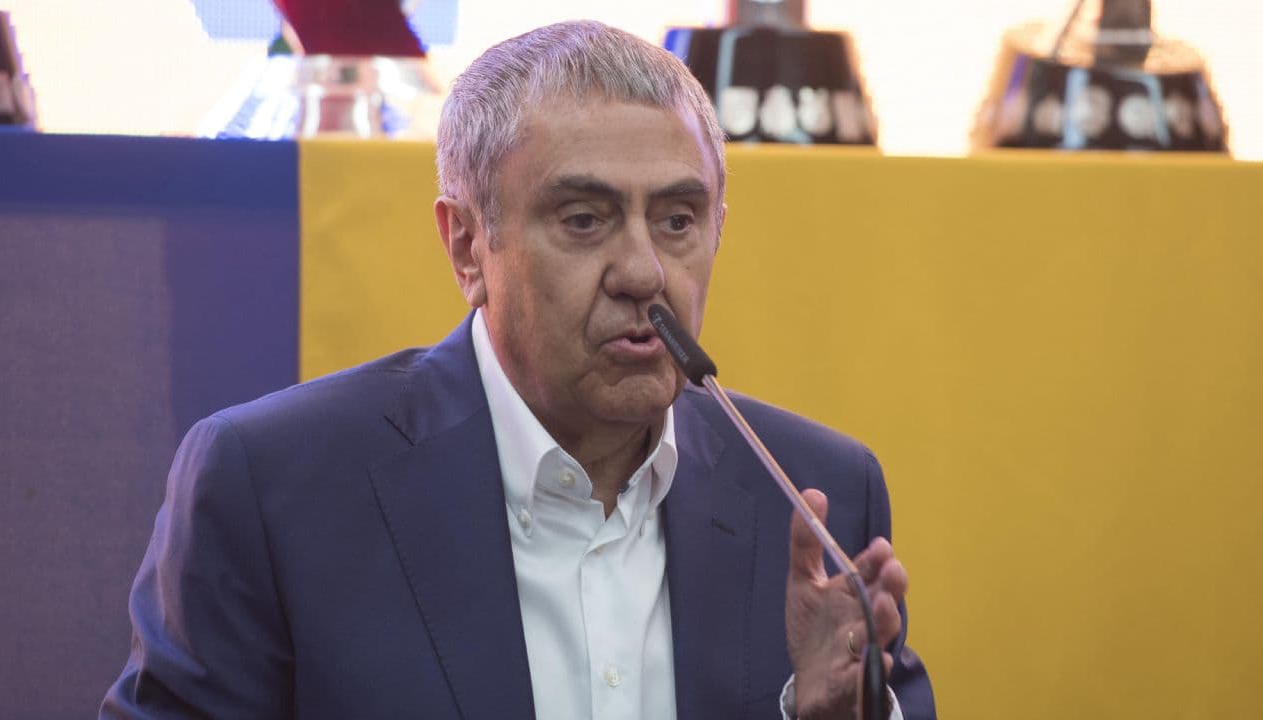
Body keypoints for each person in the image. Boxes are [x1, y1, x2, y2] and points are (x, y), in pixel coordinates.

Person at [102, 20, 934, 720]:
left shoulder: (814, 494)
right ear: (468, 246)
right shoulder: (273, 487)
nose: (644, 272)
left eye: (679, 219)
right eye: (584, 219)